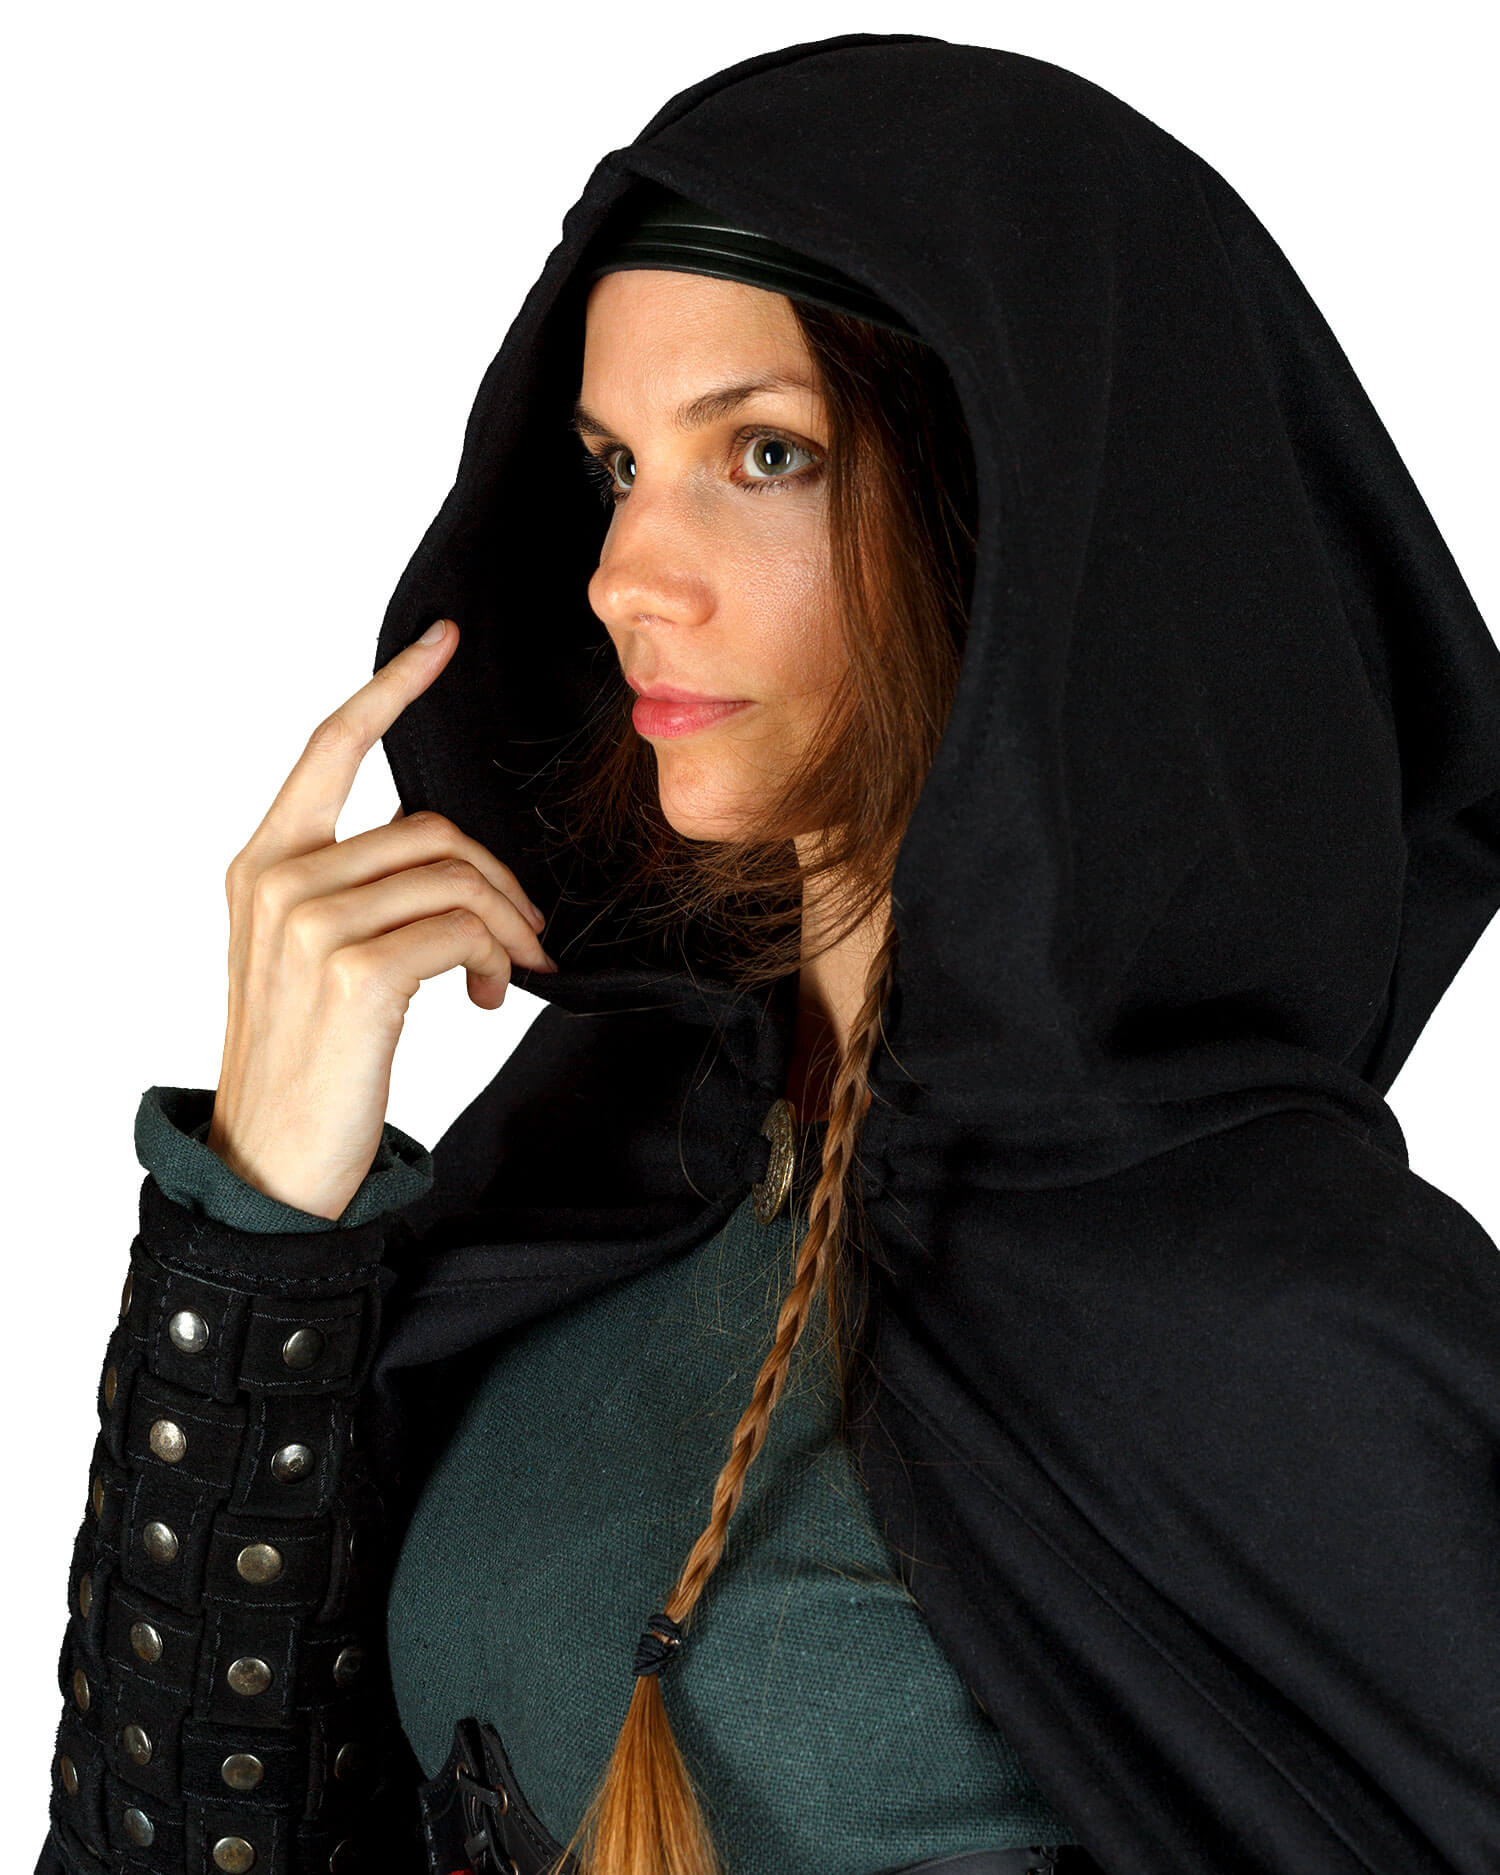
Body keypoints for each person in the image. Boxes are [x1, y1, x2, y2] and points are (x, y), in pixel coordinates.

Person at [36, 30, 1500, 1875]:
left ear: (1031, 520)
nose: (625, 571)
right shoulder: (598, 1176)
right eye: (616, 467)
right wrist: (263, 1218)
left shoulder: (1294, 1332)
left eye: (767, 454)